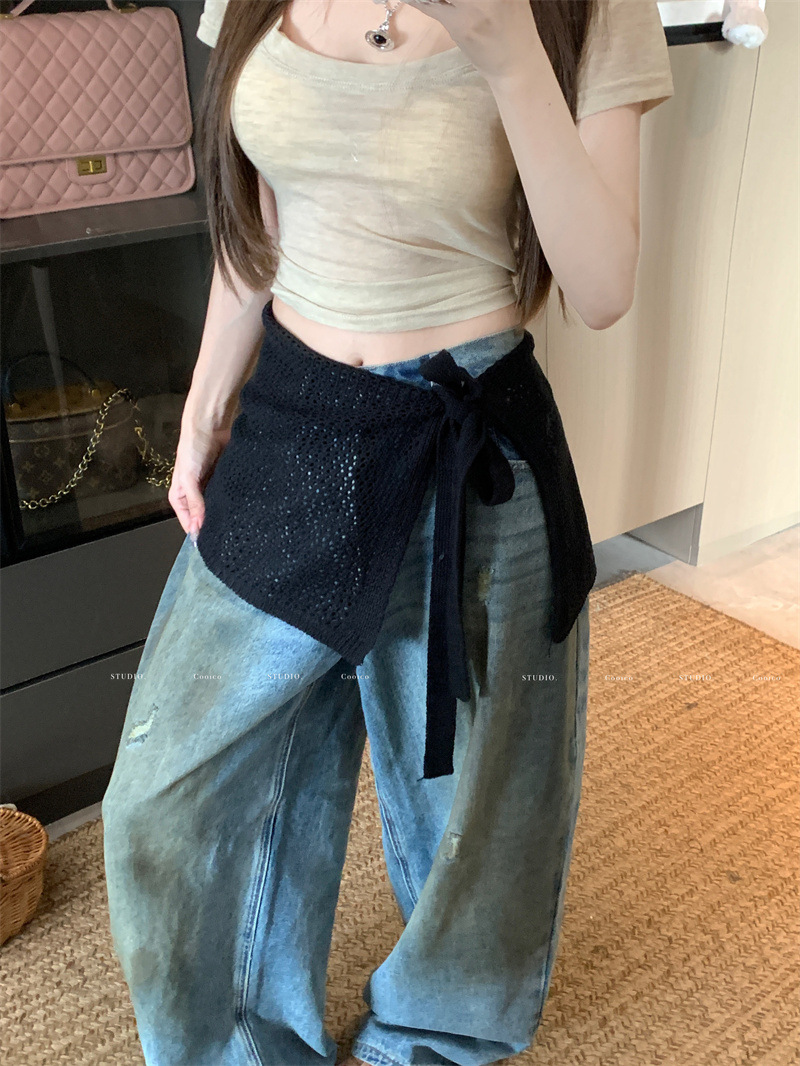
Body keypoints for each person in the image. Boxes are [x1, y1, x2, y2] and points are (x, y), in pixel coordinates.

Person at [101, 2, 674, 1065]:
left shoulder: (586, 8)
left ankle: (434, 1040)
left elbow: (600, 288)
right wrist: (204, 406)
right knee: (160, 799)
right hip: (296, 419)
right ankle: (241, 1047)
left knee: (471, 816)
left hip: (469, 444)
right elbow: (261, 219)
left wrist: (508, 53)